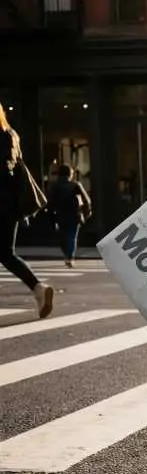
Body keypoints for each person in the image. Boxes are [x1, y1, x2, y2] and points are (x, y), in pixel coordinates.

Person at [0, 104, 54, 318]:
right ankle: (38, 288)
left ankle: (38, 288)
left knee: (6, 253)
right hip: (9, 205)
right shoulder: (11, 134)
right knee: (6, 253)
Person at [48, 163, 92, 267]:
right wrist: (87, 212)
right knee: (72, 237)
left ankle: (66, 255)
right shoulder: (75, 185)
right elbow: (86, 200)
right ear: (70, 174)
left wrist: (51, 216)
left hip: (60, 215)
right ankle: (69, 257)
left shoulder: (54, 186)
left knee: (62, 237)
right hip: (74, 215)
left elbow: (50, 203)